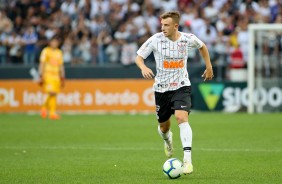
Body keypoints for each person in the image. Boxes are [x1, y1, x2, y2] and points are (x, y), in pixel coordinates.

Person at [135, 11, 213, 175]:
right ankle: (168, 141)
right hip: (161, 89)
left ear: (176, 26)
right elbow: (139, 57)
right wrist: (143, 67)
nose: (163, 28)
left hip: (181, 86)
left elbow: (202, 47)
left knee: (181, 117)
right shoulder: (156, 39)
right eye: (162, 25)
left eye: (166, 25)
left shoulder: (187, 39)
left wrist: (208, 66)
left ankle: (187, 161)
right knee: (164, 127)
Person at [38, 36, 65, 120]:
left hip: (56, 75)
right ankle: (43, 108)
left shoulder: (59, 52)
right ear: (50, 43)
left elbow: (61, 65)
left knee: (54, 94)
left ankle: (52, 113)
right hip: (48, 74)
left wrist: (62, 76)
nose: (54, 43)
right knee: (51, 92)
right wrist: (40, 75)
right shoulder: (46, 51)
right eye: (53, 42)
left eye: (56, 42)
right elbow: (42, 63)